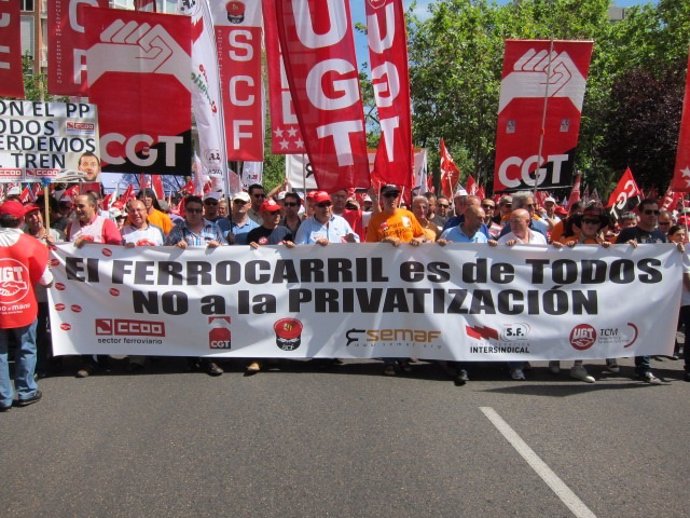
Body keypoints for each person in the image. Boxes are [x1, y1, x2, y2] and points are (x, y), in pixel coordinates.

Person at [612, 198, 678, 383]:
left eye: (655, 212)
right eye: (648, 212)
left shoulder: (661, 236)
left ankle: (643, 367)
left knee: (647, 328)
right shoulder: (628, 233)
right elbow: (611, 259)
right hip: (629, 291)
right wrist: (625, 248)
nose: (652, 216)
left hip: (650, 293)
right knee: (624, 327)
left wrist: (678, 250)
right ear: (639, 214)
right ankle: (611, 356)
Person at [365, 184, 426, 375]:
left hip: (409, 274)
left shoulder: (408, 215)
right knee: (389, 317)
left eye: (395, 195)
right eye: (388, 195)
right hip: (387, 276)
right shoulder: (376, 220)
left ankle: (404, 356)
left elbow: (422, 234)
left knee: (407, 316)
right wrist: (384, 242)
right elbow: (368, 248)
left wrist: (420, 240)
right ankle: (389, 360)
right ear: (382, 198)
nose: (392, 198)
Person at [0, 200, 53, 410]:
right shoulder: (32, 244)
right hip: (23, 306)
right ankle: (26, 391)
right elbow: (47, 280)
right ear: (21, 220)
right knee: (26, 348)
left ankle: (2, 396)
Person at [165, 196, 225, 376]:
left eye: (198, 210)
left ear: (202, 211)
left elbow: (229, 252)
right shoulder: (177, 231)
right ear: (185, 211)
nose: (194, 213)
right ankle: (191, 358)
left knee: (209, 320)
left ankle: (209, 360)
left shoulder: (214, 229)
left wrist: (219, 247)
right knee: (190, 321)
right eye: (190, 210)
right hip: (186, 286)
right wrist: (175, 248)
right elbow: (161, 256)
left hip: (210, 285)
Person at [552, 206, 612, 383]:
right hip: (566, 291)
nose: (590, 225)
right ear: (581, 224)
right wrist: (562, 248)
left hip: (589, 294)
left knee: (583, 329)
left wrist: (613, 248)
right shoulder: (567, 240)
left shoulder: (604, 245)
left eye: (594, 222)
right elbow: (551, 257)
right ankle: (554, 358)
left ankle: (577, 366)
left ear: (600, 225)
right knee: (560, 325)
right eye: (587, 221)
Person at [437, 205, 493, 385]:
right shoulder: (449, 233)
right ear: (467, 217)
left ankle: (464, 365)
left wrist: (495, 247)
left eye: (484, 218)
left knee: (471, 325)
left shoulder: (482, 236)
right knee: (457, 325)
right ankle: (459, 364)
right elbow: (432, 256)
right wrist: (440, 246)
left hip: (474, 291)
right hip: (452, 289)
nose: (482, 222)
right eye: (479, 218)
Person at [245, 199, 295, 375]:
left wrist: (292, 247)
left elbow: (297, 257)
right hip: (261, 286)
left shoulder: (286, 232)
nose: (277, 216)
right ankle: (256, 358)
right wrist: (248, 249)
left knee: (281, 319)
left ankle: (277, 353)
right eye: (273, 213)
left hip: (282, 286)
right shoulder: (253, 234)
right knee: (260, 320)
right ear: (263, 214)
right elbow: (243, 260)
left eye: (278, 213)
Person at [24, 205, 62, 377]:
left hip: (57, 293)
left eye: (36, 214)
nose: (35, 218)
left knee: (56, 330)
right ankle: (41, 366)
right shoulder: (24, 239)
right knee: (38, 332)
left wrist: (55, 245)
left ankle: (58, 361)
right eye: (30, 216)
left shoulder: (55, 234)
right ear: (25, 220)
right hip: (36, 294)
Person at [294, 191, 359, 245]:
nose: (326, 207)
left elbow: (357, 242)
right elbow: (299, 250)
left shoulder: (341, 222)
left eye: (328, 204)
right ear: (314, 208)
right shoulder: (306, 225)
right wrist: (315, 247)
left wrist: (352, 240)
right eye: (321, 205)